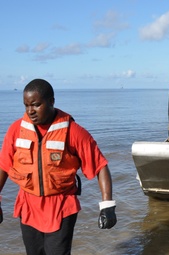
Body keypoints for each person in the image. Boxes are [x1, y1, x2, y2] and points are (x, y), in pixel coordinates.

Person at [0, 79, 117, 255]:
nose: (30, 111)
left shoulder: (73, 131)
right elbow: (3, 165)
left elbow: (100, 165)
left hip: (61, 207)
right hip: (28, 206)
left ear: (51, 101)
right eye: (26, 106)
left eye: (36, 105)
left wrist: (107, 205)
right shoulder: (16, 130)